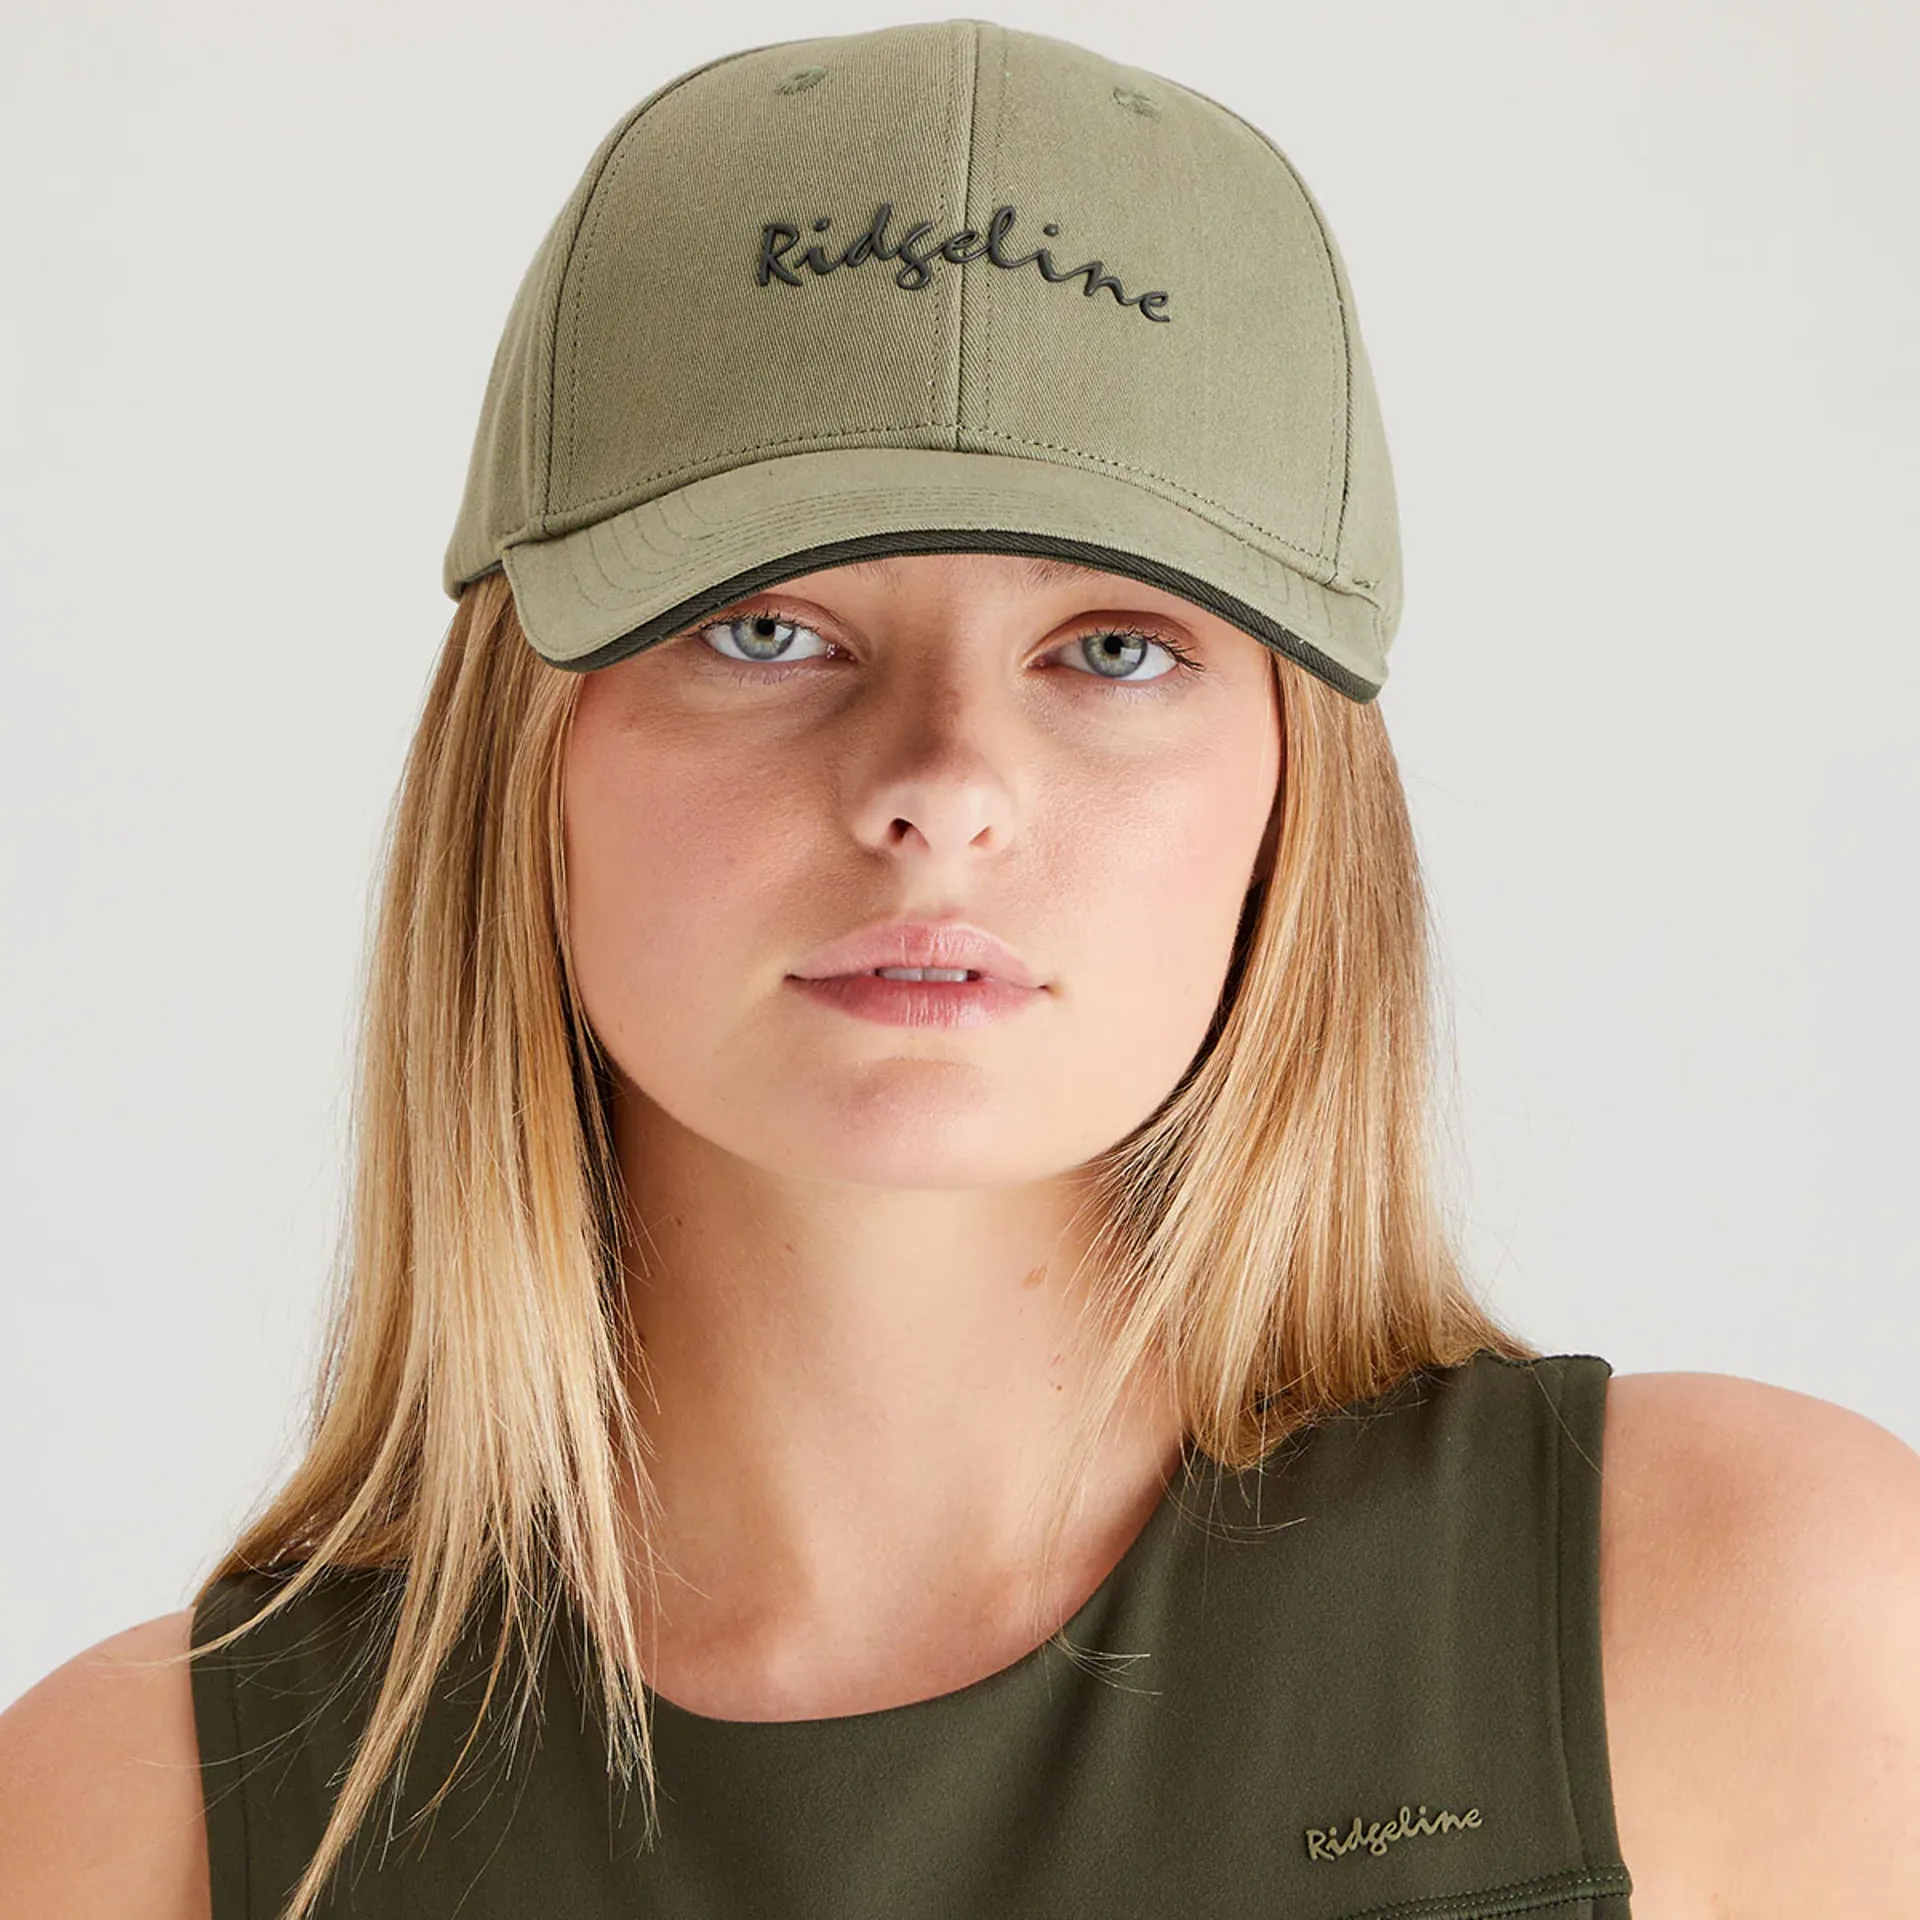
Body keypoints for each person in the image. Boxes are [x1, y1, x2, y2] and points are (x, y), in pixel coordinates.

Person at [2, 18, 1916, 1920]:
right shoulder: (131, 1828)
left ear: (1296, 787)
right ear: (524, 749)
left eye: (1115, 648)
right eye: (768, 627)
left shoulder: (1753, 1626)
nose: (941, 786)